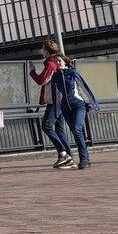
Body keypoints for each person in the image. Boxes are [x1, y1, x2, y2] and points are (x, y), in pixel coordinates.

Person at [48, 55, 100, 170]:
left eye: (59, 61)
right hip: (65, 108)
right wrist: (57, 111)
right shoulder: (55, 77)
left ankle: (84, 159)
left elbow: (85, 88)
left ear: (65, 62)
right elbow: (55, 95)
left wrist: (94, 104)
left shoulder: (72, 73)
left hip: (78, 105)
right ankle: (86, 158)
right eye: (55, 61)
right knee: (77, 132)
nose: (57, 63)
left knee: (77, 129)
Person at [29, 39, 72, 168]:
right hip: (61, 99)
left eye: (42, 49)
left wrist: (31, 71)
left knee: (46, 126)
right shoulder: (55, 62)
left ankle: (64, 153)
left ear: (47, 51)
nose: (41, 51)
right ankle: (69, 158)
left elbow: (41, 81)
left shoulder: (51, 64)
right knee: (59, 130)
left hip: (54, 101)